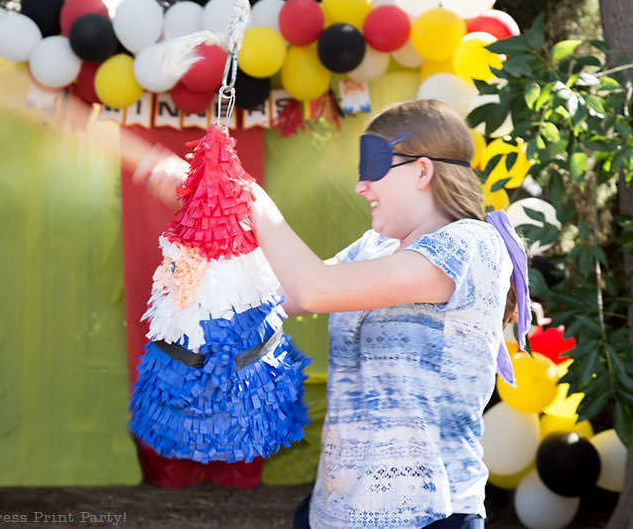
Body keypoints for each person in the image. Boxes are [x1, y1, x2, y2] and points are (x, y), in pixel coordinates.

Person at [137, 98, 530, 528]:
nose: (362, 187)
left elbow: (318, 289)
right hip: (334, 513)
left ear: (422, 170)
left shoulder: (471, 245)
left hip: (429, 516)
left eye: (375, 167)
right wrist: (209, 215)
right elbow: (282, 294)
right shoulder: (372, 247)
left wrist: (247, 195)